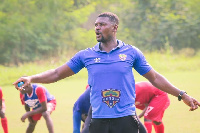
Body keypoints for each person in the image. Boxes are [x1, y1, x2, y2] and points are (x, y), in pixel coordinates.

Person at [13, 12, 200, 133]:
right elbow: (56, 73)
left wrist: (182, 94)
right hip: (98, 121)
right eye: (96, 25)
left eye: (102, 24)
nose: (97, 27)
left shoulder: (131, 53)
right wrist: (31, 77)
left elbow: (155, 77)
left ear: (115, 27)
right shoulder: (86, 55)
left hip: (126, 119)